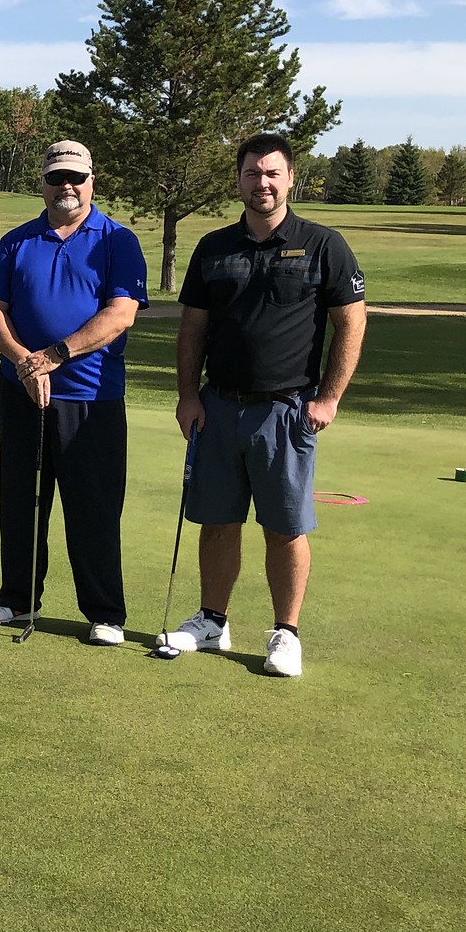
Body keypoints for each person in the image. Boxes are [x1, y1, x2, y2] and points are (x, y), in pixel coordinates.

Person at [161, 132, 367, 677]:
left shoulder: (324, 245)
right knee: (218, 521)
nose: (263, 183)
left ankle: (285, 633)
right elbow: (192, 330)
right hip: (219, 407)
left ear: (291, 177)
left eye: (272, 173)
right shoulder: (214, 247)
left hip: (288, 410)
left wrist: (329, 397)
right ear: (239, 180)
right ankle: (212, 621)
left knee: (285, 527)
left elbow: (352, 322)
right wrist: (187, 396)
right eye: (253, 173)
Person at [0, 140, 149, 643]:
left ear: (92, 180)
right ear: (43, 183)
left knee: (92, 505)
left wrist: (53, 356)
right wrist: (24, 363)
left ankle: (105, 614)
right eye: (56, 178)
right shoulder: (16, 240)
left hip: (91, 397)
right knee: (22, 501)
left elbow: (119, 316)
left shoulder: (117, 241)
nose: (65, 186)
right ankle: (17, 599)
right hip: (21, 391)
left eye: (75, 176)